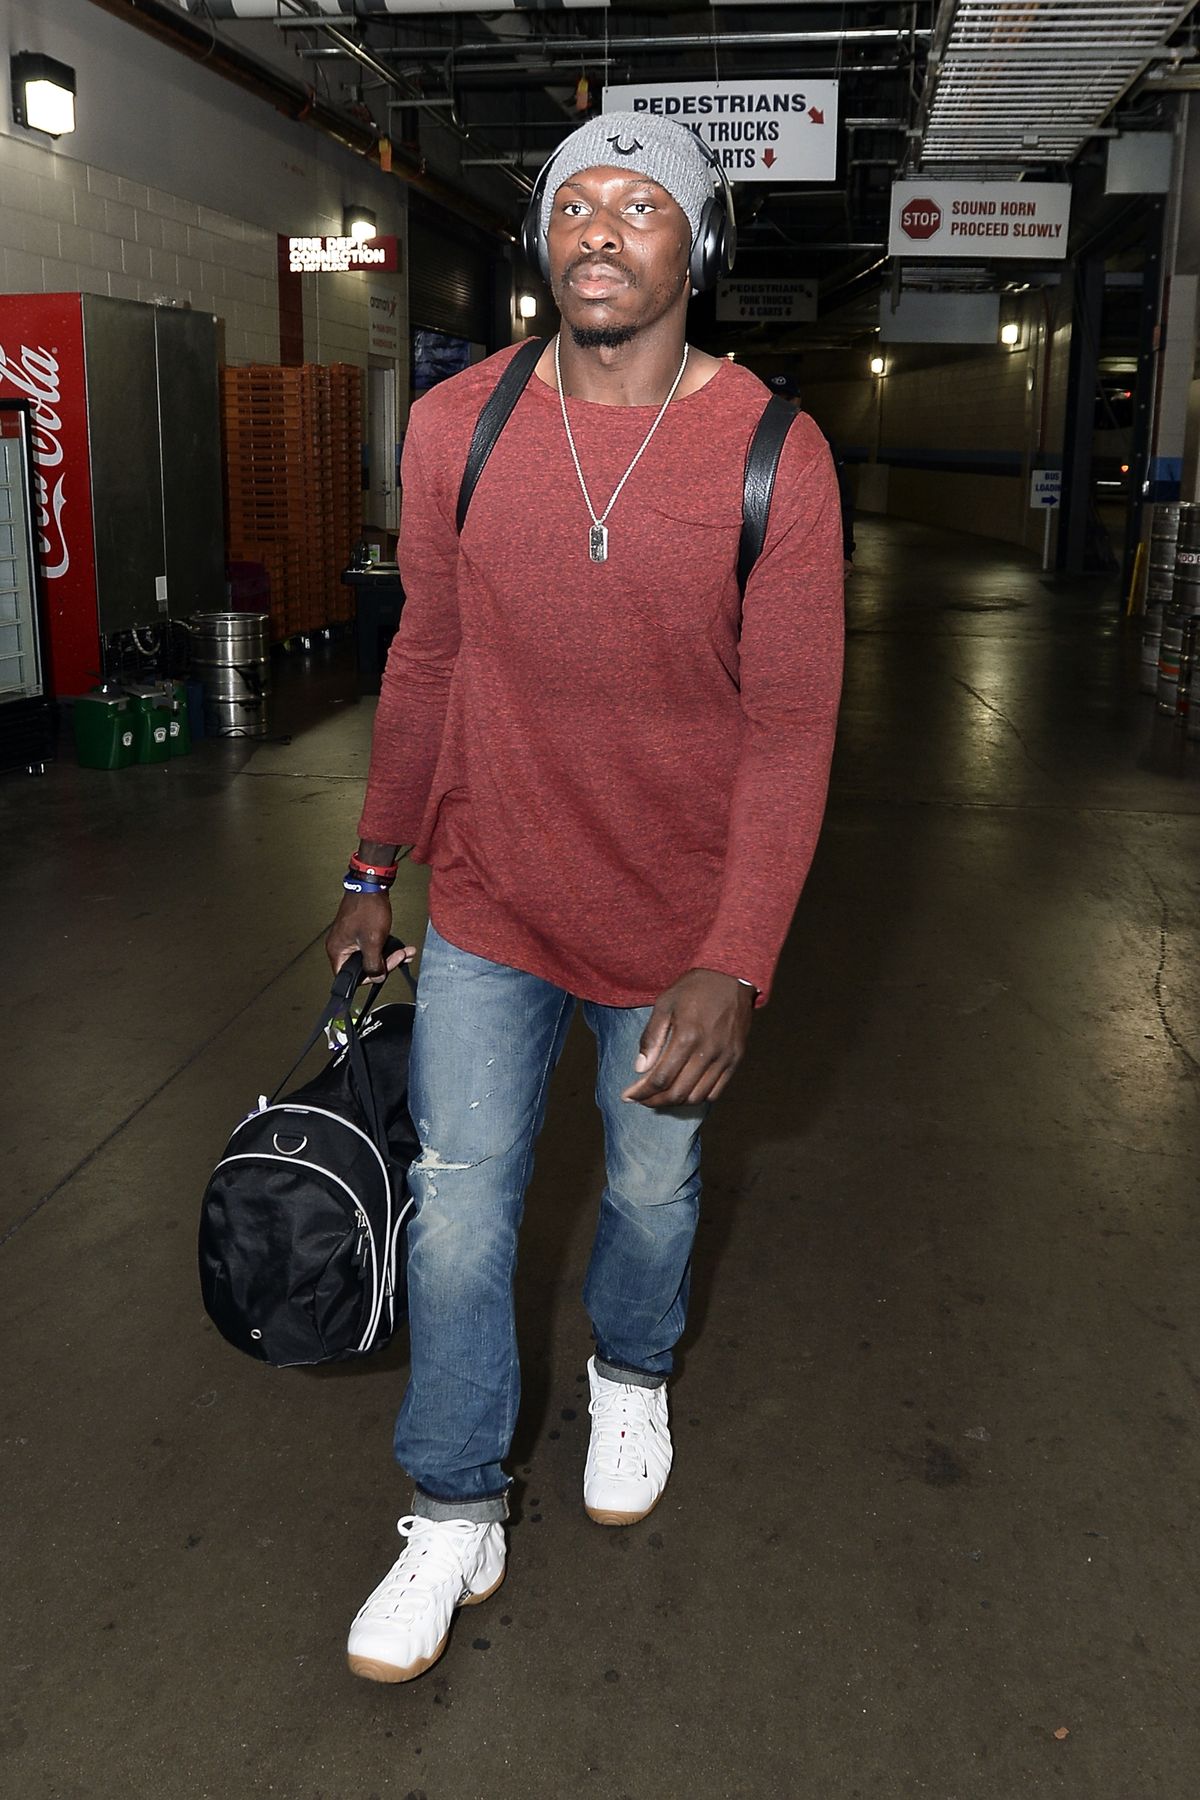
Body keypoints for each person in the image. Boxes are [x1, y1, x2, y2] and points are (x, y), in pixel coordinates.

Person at [325, 113, 844, 1685]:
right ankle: (450, 1502)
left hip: (674, 938)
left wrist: (736, 960)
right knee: (465, 1216)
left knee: (647, 1196)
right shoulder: (457, 428)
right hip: (491, 900)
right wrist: (372, 866)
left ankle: (633, 1370)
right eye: (575, 206)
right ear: (541, 239)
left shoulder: (773, 455)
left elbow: (792, 728)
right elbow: (428, 657)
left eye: (643, 207)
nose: (601, 232)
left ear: (700, 248)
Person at [766, 372, 857, 575]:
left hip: (809, 550)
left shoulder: (820, 441)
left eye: (788, 399)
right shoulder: (749, 441)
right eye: (775, 399)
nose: (783, 406)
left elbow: (841, 497)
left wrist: (845, 552)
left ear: (799, 400)